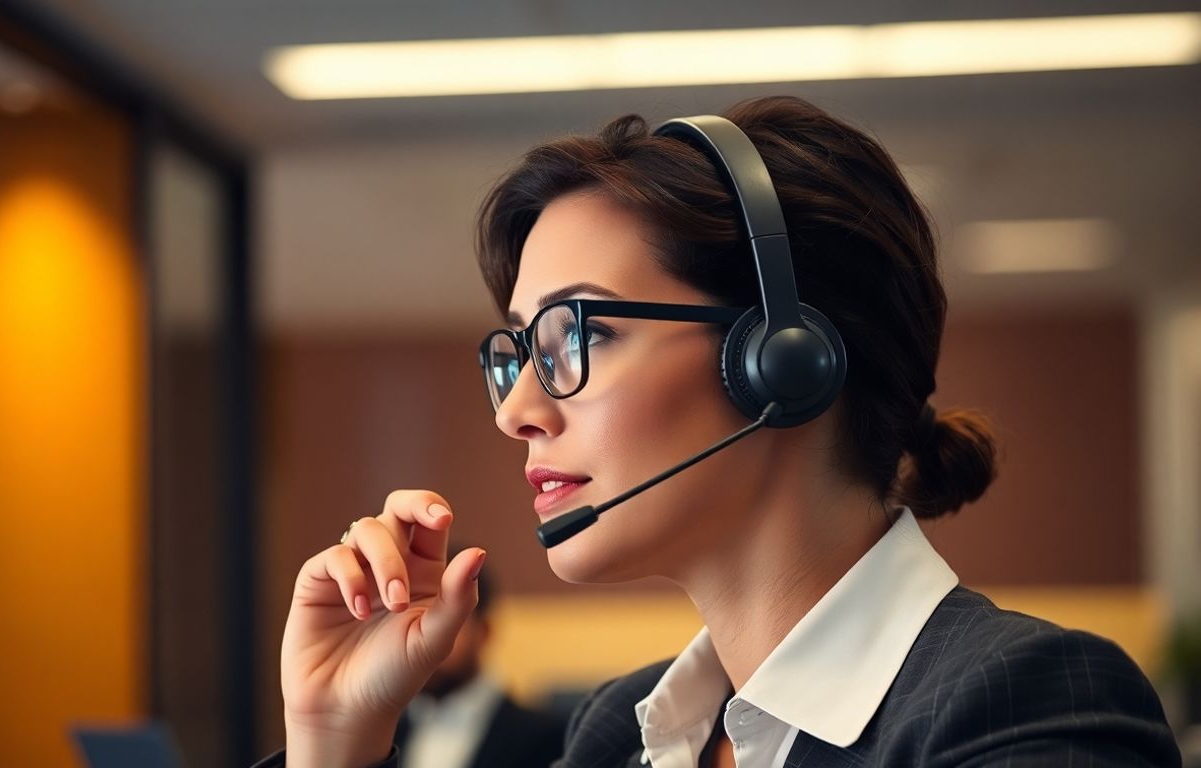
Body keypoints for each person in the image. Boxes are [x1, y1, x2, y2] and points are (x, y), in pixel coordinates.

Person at [259, 96, 1181, 767]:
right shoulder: (623, 733)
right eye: (517, 354)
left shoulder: (1026, 707)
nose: (516, 411)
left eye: (582, 335)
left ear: (782, 358)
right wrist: (336, 737)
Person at [391, 559, 565, 768]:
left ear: (484, 631)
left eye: (446, 623)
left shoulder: (548, 738)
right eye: (414, 624)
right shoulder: (379, 738)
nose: (425, 642)